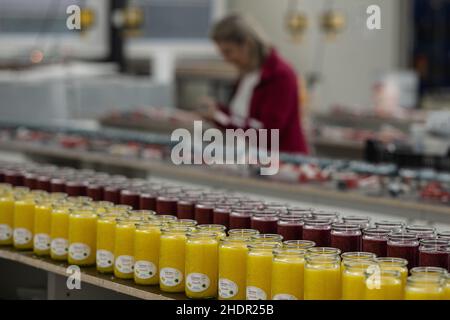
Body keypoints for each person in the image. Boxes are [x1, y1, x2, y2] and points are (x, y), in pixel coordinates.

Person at [198, 13, 308, 154]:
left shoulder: (281, 76)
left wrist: (219, 117)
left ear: (247, 44)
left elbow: (268, 135)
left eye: (228, 52)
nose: (226, 59)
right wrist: (217, 111)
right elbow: (240, 118)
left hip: (283, 162)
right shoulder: (247, 74)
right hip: (253, 157)